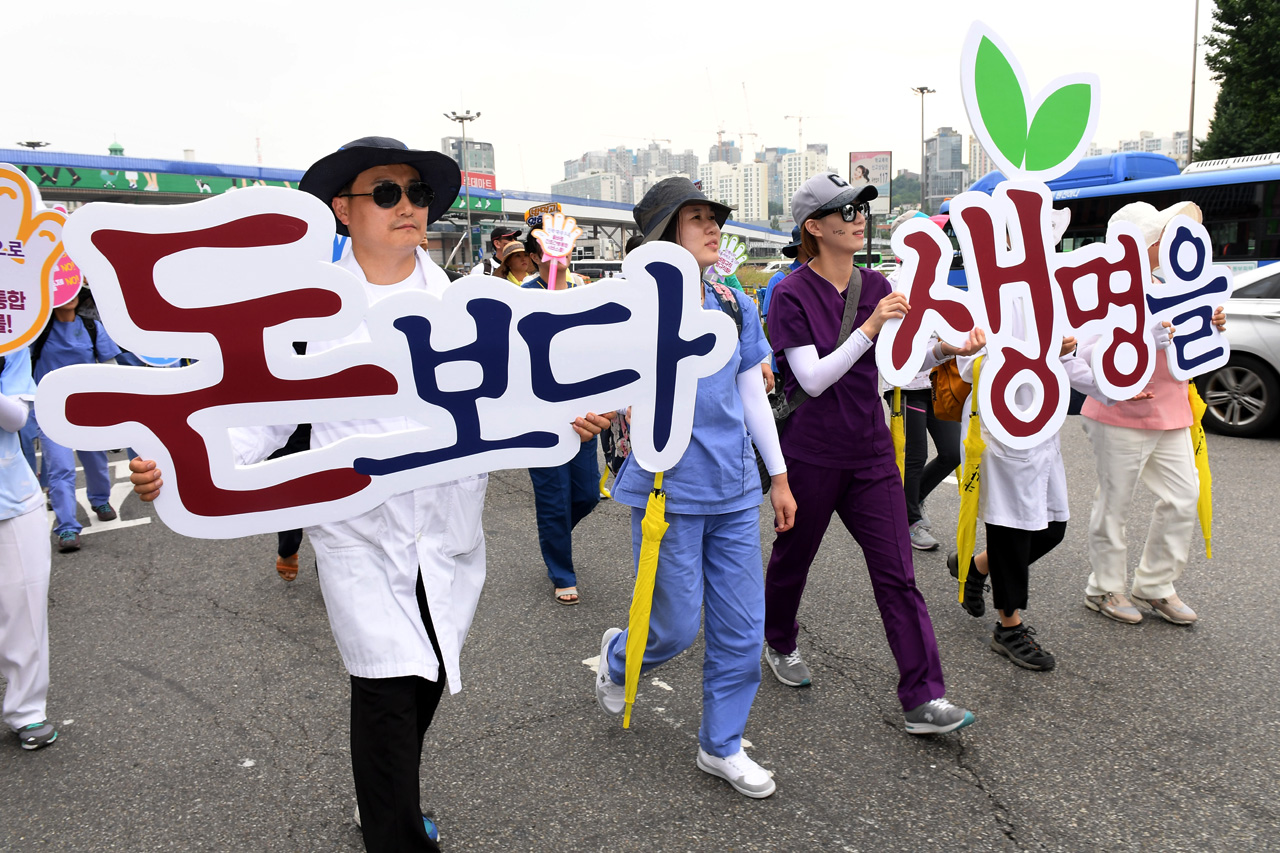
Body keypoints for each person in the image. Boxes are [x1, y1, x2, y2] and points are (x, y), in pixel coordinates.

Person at [129, 136, 611, 852]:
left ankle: (386, 796)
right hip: (357, 530)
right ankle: (393, 827)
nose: (408, 205)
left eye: (416, 193)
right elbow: (261, 418)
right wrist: (178, 465)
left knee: (424, 678)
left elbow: (518, 394)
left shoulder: (470, 306)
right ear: (343, 211)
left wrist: (567, 414)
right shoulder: (305, 315)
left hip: (447, 531)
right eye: (386, 193)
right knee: (385, 686)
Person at [594, 176, 796, 799]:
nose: (713, 227)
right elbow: (597, 380)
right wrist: (584, 412)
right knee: (674, 626)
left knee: (741, 627)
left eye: (715, 216)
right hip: (665, 491)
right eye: (696, 218)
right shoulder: (630, 306)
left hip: (735, 489)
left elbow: (749, 390)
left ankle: (722, 745)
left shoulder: (733, 299)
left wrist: (779, 475)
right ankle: (619, 660)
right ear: (662, 236)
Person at [763, 172, 979, 734]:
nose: (860, 217)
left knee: (898, 577)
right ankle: (778, 640)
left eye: (861, 208)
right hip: (809, 455)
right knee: (793, 561)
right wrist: (871, 325)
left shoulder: (877, 284)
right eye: (846, 210)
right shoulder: (789, 293)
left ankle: (924, 697)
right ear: (814, 228)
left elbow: (898, 364)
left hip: (872, 453)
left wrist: (947, 350)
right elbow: (810, 380)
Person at [1079, 201, 1227, 626]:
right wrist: (1128, 361)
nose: (1172, 242)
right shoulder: (1105, 287)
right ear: (1141, 244)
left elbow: (1198, 348)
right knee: (1114, 504)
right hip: (1118, 413)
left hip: (1173, 408)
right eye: (1161, 236)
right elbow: (1084, 349)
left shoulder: (1180, 282)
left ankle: (1156, 585)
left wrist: (1213, 325)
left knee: (1184, 497)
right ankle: (1104, 587)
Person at [518, 237, 600, 604]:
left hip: (582, 410)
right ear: (534, 257)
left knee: (586, 494)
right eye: (550, 249)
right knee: (554, 497)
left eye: (563, 245)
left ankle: (554, 537)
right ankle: (562, 571)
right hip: (539, 412)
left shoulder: (585, 287)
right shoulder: (524, 294)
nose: (559, 253)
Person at [31, 289, 145, 552]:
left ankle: (100, 500)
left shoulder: (92, 327)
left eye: (74, 291)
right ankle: (67, 527)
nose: (70, 297)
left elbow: (110, 369)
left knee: (95, 461)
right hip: (49, 409)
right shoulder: (39, 333)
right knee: (60, 468)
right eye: (61, 291)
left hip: (86, 411)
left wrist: (114, 410)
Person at [882, 211, 962, 552]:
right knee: (913, 455)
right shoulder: (891, 283)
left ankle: (911, 502)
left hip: (938, 377)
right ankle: (910, 520)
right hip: (903, 382)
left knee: (951, 452)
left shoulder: (939, 280)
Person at [0, 347, 59, 750]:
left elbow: (18, 418)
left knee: (24, 606)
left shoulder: (11, 337)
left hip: (11, 497)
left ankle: (27, 711)